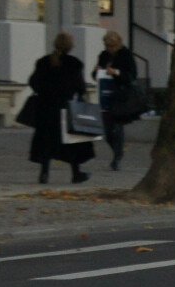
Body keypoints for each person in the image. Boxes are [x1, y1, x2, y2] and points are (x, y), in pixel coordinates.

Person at [28, 31, 94, 184]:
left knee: (46, 142)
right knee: (72, 142)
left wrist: (43, 92)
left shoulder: (44, 62)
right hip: (65, 107)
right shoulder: (74, 64)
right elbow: (80, 87)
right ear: (70, 47)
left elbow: (33, 82)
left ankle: (44, 174)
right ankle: (76, 173)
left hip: (45, 108)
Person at [91, 30, 136, 170]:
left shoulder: (126, 55)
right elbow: (96, 76)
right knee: (107, 130)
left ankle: (117, 158)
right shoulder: (104, 56)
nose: (109, 49)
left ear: (118, 45)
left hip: (120, 95)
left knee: (117, 127)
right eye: (107, 46)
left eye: (112, 46)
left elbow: (131, 76)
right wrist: (96, 71)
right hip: (106, 95)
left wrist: (116, 72)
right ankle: (118, 150)